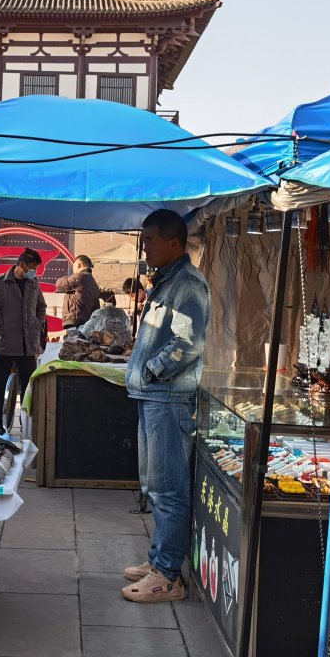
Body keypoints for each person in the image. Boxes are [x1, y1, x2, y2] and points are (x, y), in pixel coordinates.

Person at [122, 209, 209, 604]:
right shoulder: (166, 280)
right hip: (153, 396)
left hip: (169, 399)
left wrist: (153, 371)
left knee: (169, 487)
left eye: (150, 241)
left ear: (174, 242)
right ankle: (159, 559)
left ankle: (168, 576)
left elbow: (189, 344)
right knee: (153, 484)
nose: (145, 248)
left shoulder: (188, 284)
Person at [0, 248, 46, 435]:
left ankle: (25, 423)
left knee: (28, 389)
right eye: (33, 268)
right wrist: (3, 330)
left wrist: (37, 323)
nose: (34, 272)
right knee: (1, 385)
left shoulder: (33, 283)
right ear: (22, 265)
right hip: (5, 345)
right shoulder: (0, 283)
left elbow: (41, 306)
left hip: (28, 346)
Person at [55, 254, 100, 329]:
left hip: (74, 320)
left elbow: (59, 284)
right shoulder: (94, 283)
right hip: (87, 322)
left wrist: (67, 277)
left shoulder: (79, 277)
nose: (73, 271)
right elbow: (96, 307)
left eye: (74, 267)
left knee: (73, 339)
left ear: (79, 265)